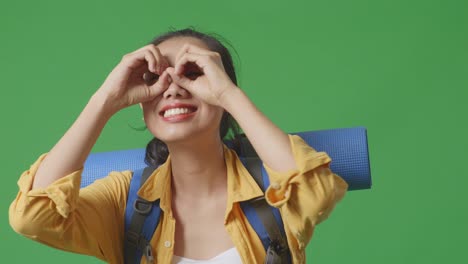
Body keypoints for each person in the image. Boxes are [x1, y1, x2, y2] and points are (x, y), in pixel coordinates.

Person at [9, 28, 349, 264]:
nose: (172, 88)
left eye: (192, 72)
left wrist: (229, 95)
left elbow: (316, 192)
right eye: (155, 78)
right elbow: (33, 218)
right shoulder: (124, 200)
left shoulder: (272, 188)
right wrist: (105, 100)